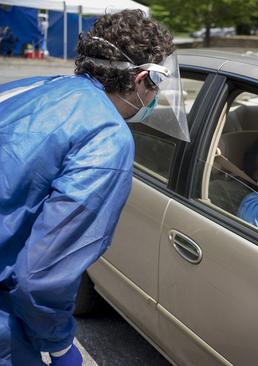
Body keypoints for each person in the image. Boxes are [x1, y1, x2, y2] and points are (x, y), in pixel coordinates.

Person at [0, 9, 181, 366]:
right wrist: (60, 345)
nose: (157, 95)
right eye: (158, 83)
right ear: (142, 78)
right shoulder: (106, 136)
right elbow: (41, 276)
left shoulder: (36, 86)